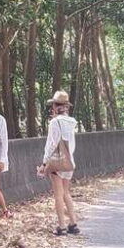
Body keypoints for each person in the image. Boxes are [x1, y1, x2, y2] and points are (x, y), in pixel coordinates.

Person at [39, 91, 80, 236]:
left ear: (56, 106)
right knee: (66, 193)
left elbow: (52, 143)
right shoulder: (72, 122)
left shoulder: (55, 122)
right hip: (70, 162)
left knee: (58, 194)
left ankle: (61, 226)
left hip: (57, 162)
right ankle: (73, 224)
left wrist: (44, 163)